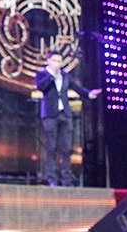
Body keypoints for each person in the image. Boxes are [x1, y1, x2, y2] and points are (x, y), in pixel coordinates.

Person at [35, 51, 101, 187]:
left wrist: (89, 94)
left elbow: (77, 88)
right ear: (48, 61)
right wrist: (51, 76)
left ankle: (66, 178)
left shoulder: (65, 75)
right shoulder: (42, 74)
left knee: (66, 148)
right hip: (50, 114)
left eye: (59, 61)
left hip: (65, 114)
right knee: (51, 147)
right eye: (54, 60)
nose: (57, 64)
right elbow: (41, 87)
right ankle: (52, 178)